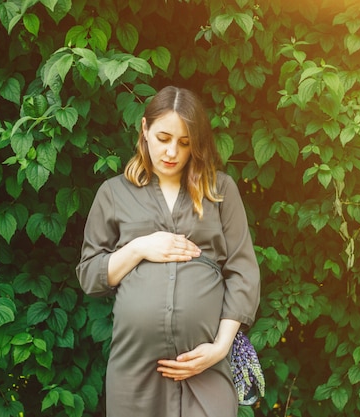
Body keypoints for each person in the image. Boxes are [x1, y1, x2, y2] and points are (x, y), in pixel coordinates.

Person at [76, 86, 260, 417]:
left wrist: (219, 348)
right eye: (163, 137)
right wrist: (139, 247)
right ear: (144, 130)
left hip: (206, 368)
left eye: (185, 142)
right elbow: (90, 276)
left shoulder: (220, 190)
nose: (172, 151)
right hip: (135, 372)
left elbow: (243, 271)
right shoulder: (113, 193)